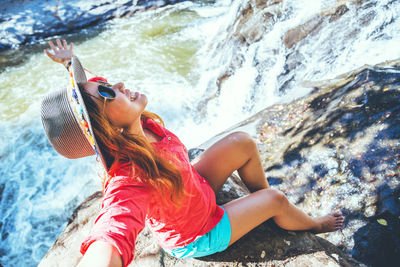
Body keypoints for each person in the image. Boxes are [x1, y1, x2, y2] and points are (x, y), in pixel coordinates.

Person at [42, 39, 344, 267]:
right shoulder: (130, 175)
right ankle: (302, 219)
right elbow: (113, 227)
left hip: (192, 189)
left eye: (106, 84)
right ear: (107, 129)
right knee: (276, 200)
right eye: (108, 92)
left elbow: (93, 94)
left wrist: (72, 65)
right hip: (198, 233)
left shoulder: (134, 125)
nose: (117, 84)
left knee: (242, 142)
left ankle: (262, 208)